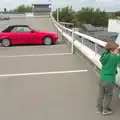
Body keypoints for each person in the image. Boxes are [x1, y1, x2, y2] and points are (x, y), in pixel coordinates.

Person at [96, 41, 120, 115]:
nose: (118, 50)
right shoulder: (114, 57)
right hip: (109, 80)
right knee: (109, 95)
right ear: (111, 51)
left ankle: (99, 108)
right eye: (116, 49)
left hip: (102, 78)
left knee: (101, 95)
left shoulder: (105, 55)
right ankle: (105, 110)